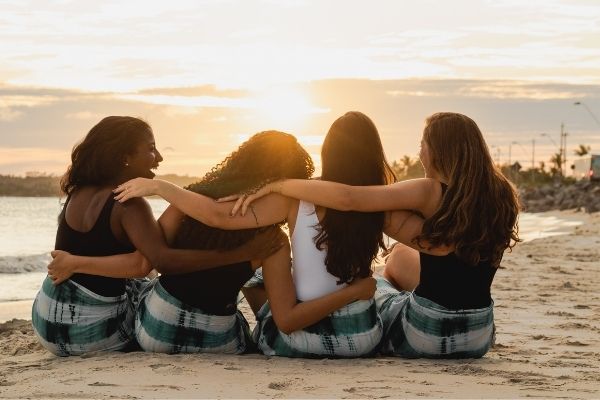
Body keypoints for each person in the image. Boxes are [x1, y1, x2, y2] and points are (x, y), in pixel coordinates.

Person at [49, 130, 376, 355]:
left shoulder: (189, 199)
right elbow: (286, 318)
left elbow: (146, 257)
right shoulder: (272, 241)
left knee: (142, 289)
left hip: (153, 332)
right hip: (214, 339)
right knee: (249, 316)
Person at [222, 112, 521, 359]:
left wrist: (279, 184)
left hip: (424, 333)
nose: (420, 152)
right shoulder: (502, 194)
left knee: (380, 289)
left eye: (423, 144)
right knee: (400, 258)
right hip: (479, 334)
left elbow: (350, 198)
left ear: (440, 150)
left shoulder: (428, 190)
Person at [32, 117, 282, 357]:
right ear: (125, 157)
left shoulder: (78, 192)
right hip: (90, 335)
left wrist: (75, 263)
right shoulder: (130, 205)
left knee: (141, 285)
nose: (159, 157)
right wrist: (244, 253)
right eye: (151, 149)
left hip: (46, 322)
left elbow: (136, 263)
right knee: (151, 293)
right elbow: (156, 262)